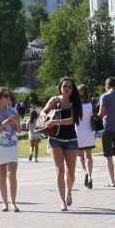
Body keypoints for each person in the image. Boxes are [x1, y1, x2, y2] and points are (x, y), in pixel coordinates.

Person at [40, 78, 81, 210]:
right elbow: (43, 111)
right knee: (60, 170)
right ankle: (63, 201)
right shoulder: (54, 100)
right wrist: (45, 118)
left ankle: (69, 191)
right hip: (55, 139)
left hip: (71, 140)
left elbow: (73, 120)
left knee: (71, 173)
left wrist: (56, 122)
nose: (67, 88)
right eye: (64, 86)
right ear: (60, 87)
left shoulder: (75, 102)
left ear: (72, 89)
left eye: (69, 86)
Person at [75, 83, 98, 190]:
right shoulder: (91, 105)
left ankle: (85, 173)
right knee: (89, 156)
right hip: (89, 132)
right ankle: (90, 176)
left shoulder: (75, 105)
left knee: (79, 156)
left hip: (78, 132)